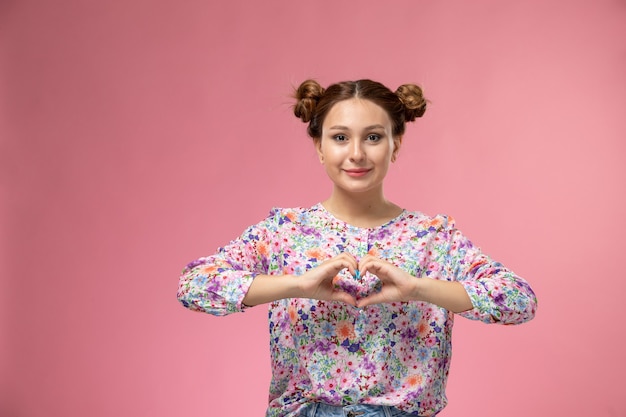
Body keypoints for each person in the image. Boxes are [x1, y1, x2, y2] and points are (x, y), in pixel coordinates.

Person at [177, 79, 537, 417]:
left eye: (374, 137)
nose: (356, 153)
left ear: (396, 144)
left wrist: (418, 289)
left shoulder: (433, 237)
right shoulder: (284, 231)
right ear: (319, 147)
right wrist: (297, 285)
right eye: (339, 137)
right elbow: (194, 285)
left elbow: (519, 300)